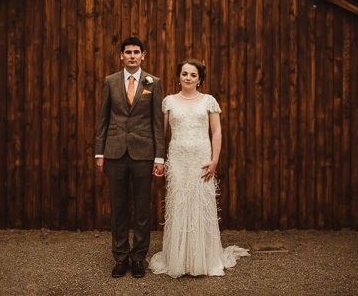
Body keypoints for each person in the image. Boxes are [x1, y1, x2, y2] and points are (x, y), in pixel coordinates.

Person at [148, 58, 249, 278]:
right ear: (179, 76)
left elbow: (217, 132)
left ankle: (204, 260)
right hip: (177, 160)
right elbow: (160, 134)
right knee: (179, 206)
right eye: (184, 74)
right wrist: (158, 159)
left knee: (200, 207)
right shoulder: (169, 102)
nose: (188, 78)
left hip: (201, 161)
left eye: (193, 75)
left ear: (200, 79)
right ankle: (179, 260)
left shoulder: (209, 101)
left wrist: (215, 160)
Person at [95, 37, 165, 278]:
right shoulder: (110, 82)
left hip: (143, 154)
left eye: (137, 52)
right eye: (128, 52)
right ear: (121, 56)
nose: (132, 56)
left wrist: (159, 157)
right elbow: (103, 119)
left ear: (143, 55)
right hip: (114, 153)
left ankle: (138, 258)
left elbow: (158, 123)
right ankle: (121, 257)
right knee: (118, 208)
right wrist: (100, 152)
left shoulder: (152, 83)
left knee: (143, 210)